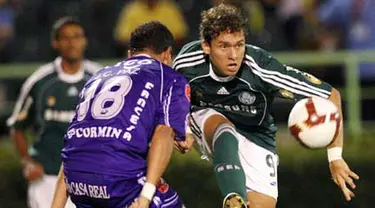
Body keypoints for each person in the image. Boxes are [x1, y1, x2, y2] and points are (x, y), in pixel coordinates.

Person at [173, 4, 359, 208]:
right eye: (224, 46)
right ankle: (233, 200)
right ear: (206, 47)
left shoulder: (261, 67)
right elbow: (171, 95)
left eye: (239, 45)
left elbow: (332, 95)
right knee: (223, 130)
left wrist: (335, 157)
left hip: (256, 134)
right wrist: (184, 128)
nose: (234, 55)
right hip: (208, 118)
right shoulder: (187, 62)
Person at [51, 21, 192, 208]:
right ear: (167, 54)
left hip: (77, 182)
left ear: (129, 54)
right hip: (118, 182)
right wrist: (145, 198)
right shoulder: (169, 76)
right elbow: (164, 132)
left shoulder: (97, 77)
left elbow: (75, 142)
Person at [6, 16, 102, 208]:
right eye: (65, 38)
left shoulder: (100, 79)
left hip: (89, 178)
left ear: (85, 41)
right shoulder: (40, 81)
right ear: (55, 43)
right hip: (47, 179)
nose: (72, 43)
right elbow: (16, 126)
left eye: (77, 36)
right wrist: (27, 162)